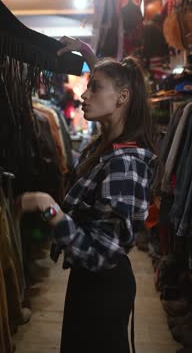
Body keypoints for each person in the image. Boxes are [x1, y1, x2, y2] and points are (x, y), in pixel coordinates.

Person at [17, 37, 158, 353]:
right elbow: (116, 87)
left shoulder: (125, 163)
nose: (84, 93)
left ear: (122, 97)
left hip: (103, 289)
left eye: (94, 87)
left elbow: (99, 254)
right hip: (92, 285)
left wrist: (49, 208)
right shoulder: (111, 145)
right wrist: (91, 57)